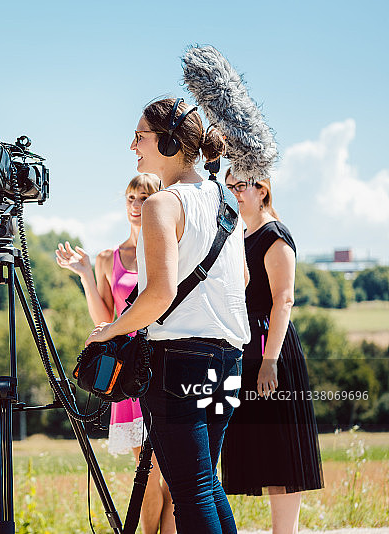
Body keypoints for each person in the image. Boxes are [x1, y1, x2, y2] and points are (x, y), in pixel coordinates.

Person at [85, 97, 250, 534]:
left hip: (179, 362)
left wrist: (108, 332)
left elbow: (159, 294)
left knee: (191, 490)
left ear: (171, 141)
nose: (133, 146)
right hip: (229, 360)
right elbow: (244, 279)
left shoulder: (164, 204)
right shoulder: (225, 202)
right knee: (205, 484)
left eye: (140, 136)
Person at [55, 173, 175, 534]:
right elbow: (105, 320)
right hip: (130, 372)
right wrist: (86, 276)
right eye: (131, 198)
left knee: (175, 469)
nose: (136, 205)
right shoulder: (110, 258)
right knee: (147, 468)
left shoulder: (168, 251)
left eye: (145, 197)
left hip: (167, 363)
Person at [221, 169, 323, 534]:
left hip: (272, 350)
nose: (234, 194)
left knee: (282, 455)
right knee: (261, 452)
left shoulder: (274, 235)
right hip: (246, 349)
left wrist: (269, 362)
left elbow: (284, 300)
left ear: (262, 190)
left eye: (241, 187)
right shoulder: (240, 235)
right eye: (229, 187)